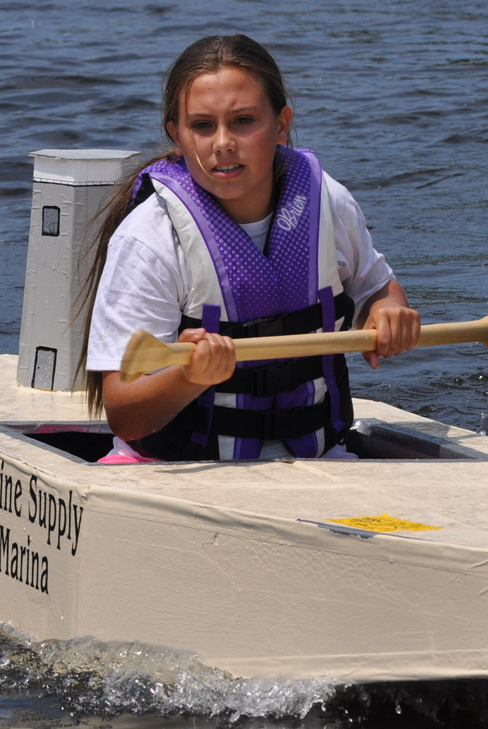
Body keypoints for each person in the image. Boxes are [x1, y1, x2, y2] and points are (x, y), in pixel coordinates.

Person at [80, 34, 419, 462]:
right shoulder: (149, 238)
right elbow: (124, 414)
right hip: (174, 470)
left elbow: (377, 288)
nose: (223, 142)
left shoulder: (328, 202)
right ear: (177, 136)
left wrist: (388, 312)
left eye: (243, 121)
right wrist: (188, 376)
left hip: (318, 459)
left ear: (281, 125)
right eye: (202, 126)